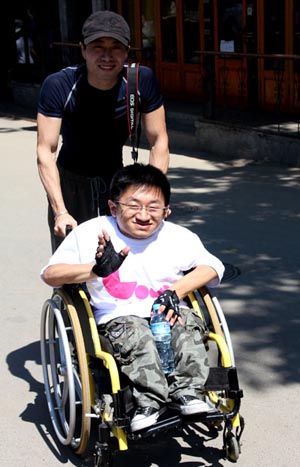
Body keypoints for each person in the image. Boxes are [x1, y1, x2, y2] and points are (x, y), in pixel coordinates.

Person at [41, 163, 224, 432]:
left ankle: (189, 394)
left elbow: (212, 267)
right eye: (134, 205)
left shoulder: (178, 236)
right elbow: (51, 274)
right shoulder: (92, 232)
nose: (144, 215)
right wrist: (94, 270)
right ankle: (149, 403)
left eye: (154, 207)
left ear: (166, 211)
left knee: (186, 324)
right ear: (114, 207)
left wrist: (176, 292)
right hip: (119, 316)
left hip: (167, 311)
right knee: (137, 333)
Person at [36, 10, 169, 252]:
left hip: (116, 179)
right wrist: (60, 211)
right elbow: (46, 151)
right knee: (72, 264)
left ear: (127, 51)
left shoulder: (141, 80)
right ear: (83, 49)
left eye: (116, 47)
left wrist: (154, 197)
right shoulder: (59, 85)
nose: (107, 55)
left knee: (122, 257)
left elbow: (159, 141)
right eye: (98, 46)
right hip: (70, 183)